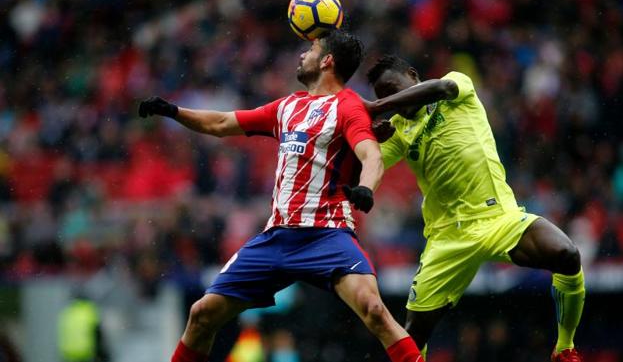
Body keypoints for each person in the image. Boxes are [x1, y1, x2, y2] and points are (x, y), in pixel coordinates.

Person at [139, 31, 422, 362]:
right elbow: (220, 122)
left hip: (326, 235)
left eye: (311, 49)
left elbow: (371, 154)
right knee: (202, 314)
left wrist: (367, 189)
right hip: (277, 238)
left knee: (374, 310)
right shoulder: (287, 106)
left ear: (327, 61)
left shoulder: (348, 106)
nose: (303, 55)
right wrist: (174, 111)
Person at [364, 55, 585, 362]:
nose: (391, 100)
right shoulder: (399, 130)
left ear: (412, 75)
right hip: (448, 239)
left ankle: (565, 347)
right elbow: (367, 166)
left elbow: (441, 87)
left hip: (498, 219)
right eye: (382, 96)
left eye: (392, 89)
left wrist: (377, 107)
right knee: (412, 338)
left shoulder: (456, 85)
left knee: (567, 254)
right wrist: (367, 138)